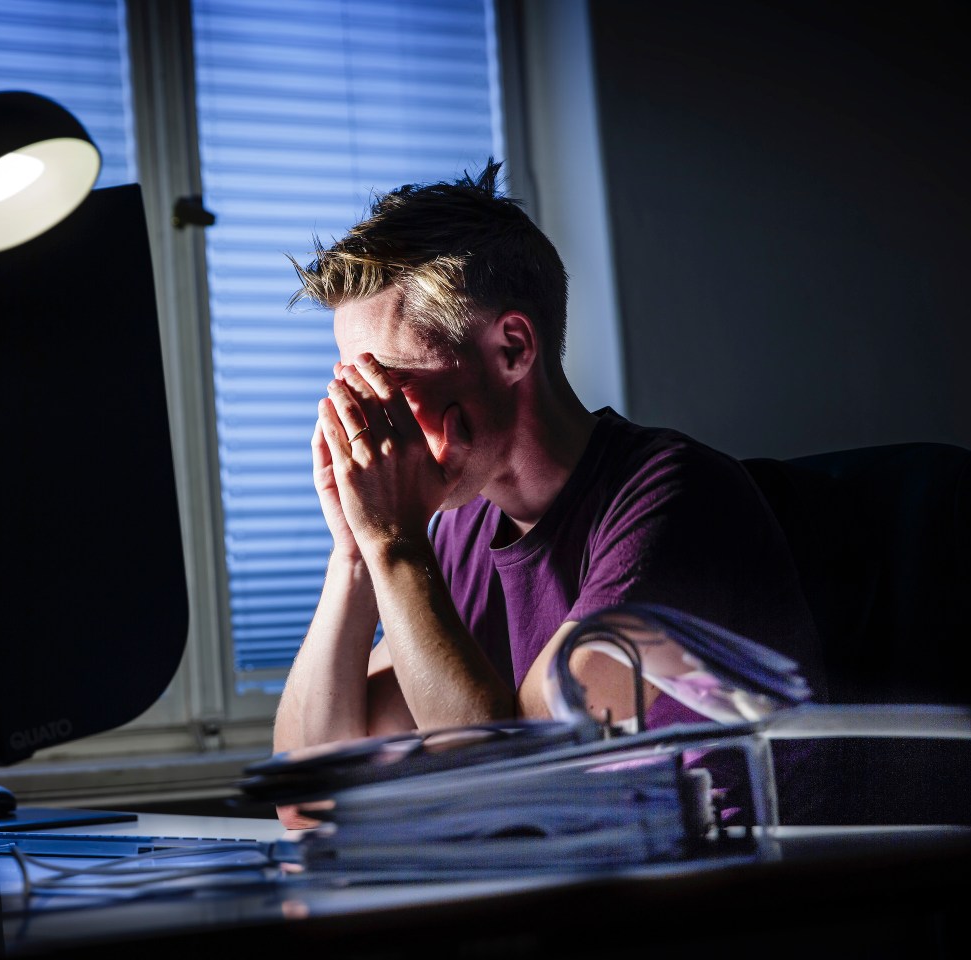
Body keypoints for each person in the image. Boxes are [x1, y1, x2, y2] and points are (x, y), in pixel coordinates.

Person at [272, 160, 827, 828]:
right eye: (353, 389)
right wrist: (356, 552)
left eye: (389, 381)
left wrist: (393, 544)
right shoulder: (451, 531)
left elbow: (519, 785)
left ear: (512, 349)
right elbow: (312, 801)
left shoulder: (672, 498)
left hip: (741, 906)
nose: (370, 418)